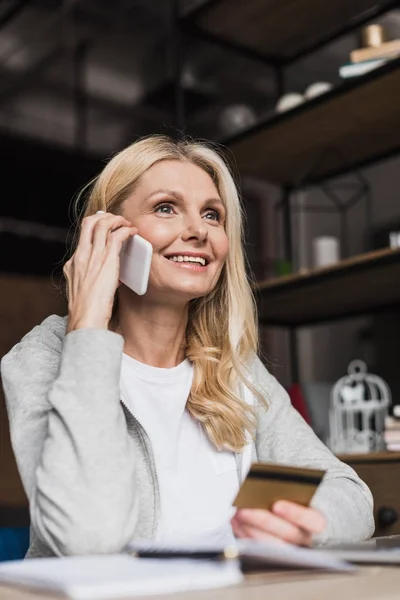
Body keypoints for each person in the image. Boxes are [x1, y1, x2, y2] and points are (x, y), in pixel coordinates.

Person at [1, 135, 374, 559]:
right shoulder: (44, 355)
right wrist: (88, 323)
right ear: (108, 232)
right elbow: (89, 538)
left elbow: (352, 496)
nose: (198, 231)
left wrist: (309, 525)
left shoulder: (236, 368)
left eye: (212, 215)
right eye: (165, 207)